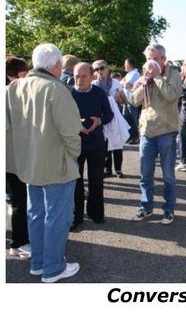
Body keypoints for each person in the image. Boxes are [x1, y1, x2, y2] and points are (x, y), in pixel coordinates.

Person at [6, 43, 82, 282]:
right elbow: (71, 132)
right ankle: (53, 268)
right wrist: (73, 155)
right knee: (57, 218)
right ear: (57, 64)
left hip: (28, 163)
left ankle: (38, 264)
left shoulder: (15, 87)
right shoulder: (57, 89)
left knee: (36, 215)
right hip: (56, 163)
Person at [130, 43, 182, 223]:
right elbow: (134, 100)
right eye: (148, 59)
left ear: (163, 59)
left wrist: (158, 77)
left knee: (168, 175)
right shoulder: (145, 76)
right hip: (146, 131)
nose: (150, 63)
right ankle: (146, 207)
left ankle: (169, 209)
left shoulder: (174, 75)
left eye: (154, 59)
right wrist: (143, 83)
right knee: (145, 174)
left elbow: (172, 96)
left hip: (167, 131)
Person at [69, 61, 113, 231]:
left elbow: (109, 114)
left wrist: (99, 120)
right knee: (76, 181)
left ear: (92, 76)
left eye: (83, 76)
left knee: (96, 180)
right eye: (76, 76)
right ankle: (76, 216)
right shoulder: (69, 94)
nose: (79, 80)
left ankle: (96, 213)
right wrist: (75, 124)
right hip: (75, 144)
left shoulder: (100, 93)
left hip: (96, 143)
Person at [6, 56, 31, 259]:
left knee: (18, 200)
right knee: (19, 201)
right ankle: (19, 243)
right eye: (24, 74)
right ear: (11, 75)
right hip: (13, 159)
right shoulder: (10, 95)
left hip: (14, 158)